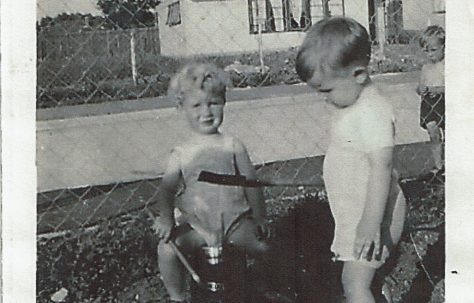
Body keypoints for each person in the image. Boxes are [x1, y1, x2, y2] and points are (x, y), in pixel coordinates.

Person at [296, 17, 406, 303]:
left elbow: (381, 169)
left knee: (354, 282)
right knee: (361, 278)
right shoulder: (355, 102)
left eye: (327, 90)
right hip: (356, 211)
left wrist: (370, 224)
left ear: (358, 73)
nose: (325, 99)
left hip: (375, 214)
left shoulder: (372, 112)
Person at [151, 63, 271, 303]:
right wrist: (165, 218)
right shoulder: (182, 152)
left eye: (213, 103)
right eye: (196, 105)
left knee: (265, 248)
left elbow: (251, 184)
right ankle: (177, 297)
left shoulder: (233, 146)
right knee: (166, 250)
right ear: (182, 108)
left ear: (224, 102)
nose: (206, 112)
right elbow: (166, 190)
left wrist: (259, 216)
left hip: (234, 222)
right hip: (198, 226)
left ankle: (265, 290)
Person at [416, 25, 445, 173]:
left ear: (444, 47)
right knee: (433, 132)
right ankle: (438, 165)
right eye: (426, 51)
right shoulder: (426, 68)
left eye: (433, 50)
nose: (430, 54)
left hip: (444, 102)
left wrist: (438, 90)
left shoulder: (446, 65)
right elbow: (419, 86)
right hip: (429, 103)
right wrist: (421, 89)